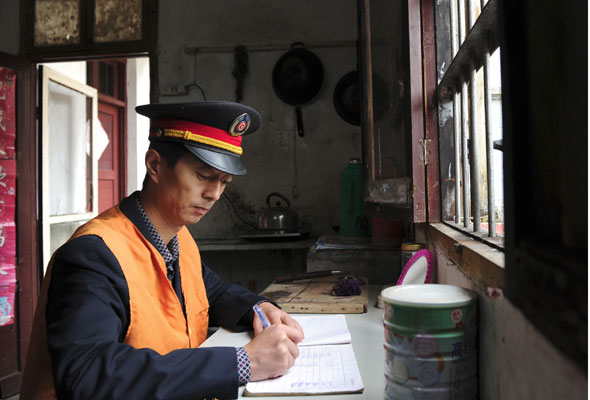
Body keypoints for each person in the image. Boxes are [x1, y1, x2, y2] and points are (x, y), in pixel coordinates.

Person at [20, 101, 305, 400]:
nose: (214, 194)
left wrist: (260, 309)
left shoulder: (179, 240)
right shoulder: (94, 255)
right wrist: (243, 363)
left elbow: (212, 293)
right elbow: (88, 375)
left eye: (224, 182)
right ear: (155, 165)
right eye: (203, 176)